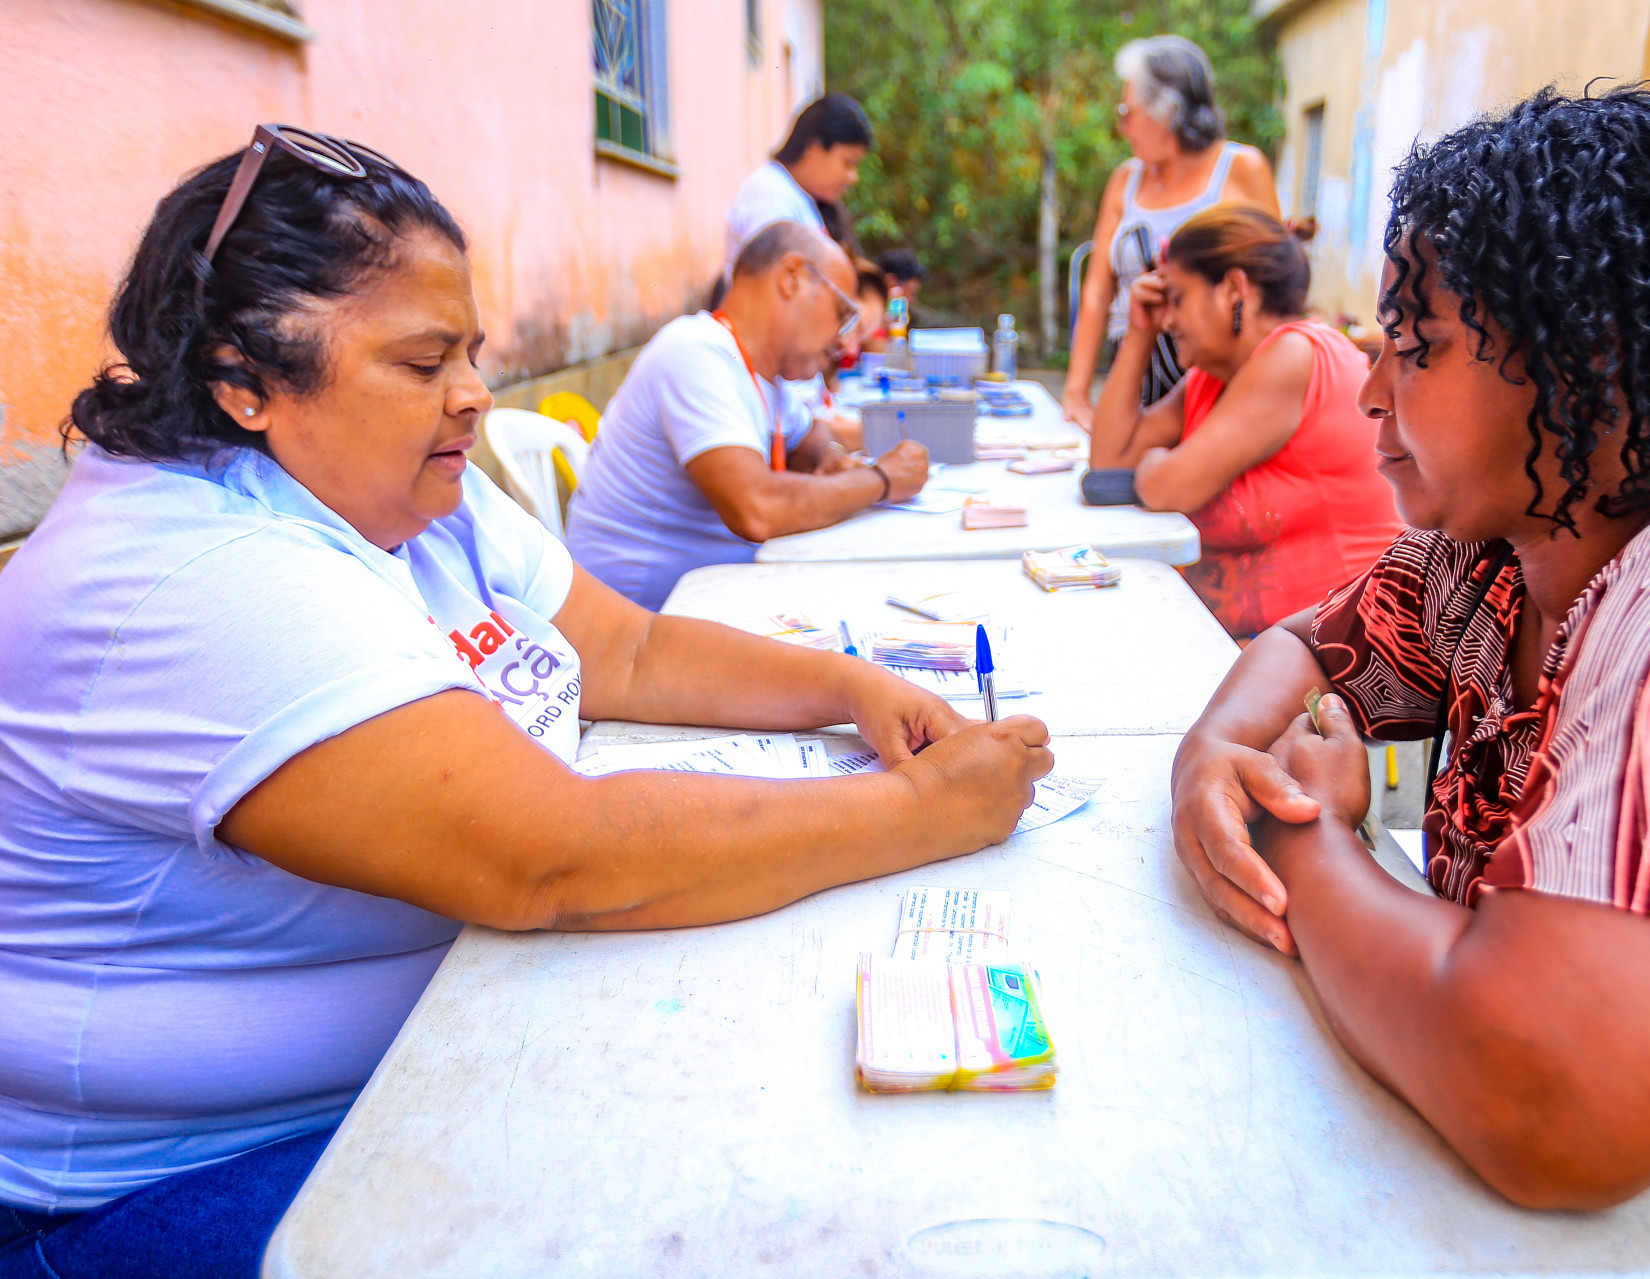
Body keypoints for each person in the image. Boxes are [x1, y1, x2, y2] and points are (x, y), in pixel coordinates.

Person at [0, 127, 1050, 1278]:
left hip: (438, 1043)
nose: (472, 394)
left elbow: (632, 651)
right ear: (245, 379)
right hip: (170, 1188)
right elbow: (555, 859)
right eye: (421, 362)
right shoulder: (195, 573)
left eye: (470, 352)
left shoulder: (398, 485)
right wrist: (928, 813)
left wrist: (856, 690)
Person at [1171, 86, 1650, 1275]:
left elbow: (1548, 1103)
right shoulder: (1503, 555)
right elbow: (1306, 647)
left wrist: (1305, 837)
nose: (1371, 393)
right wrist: (1215, 751)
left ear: (1589, 353)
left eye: (1416, 346)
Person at [566, 222, 927, 610]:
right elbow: (756, 509)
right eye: (842, 314)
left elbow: (809, 436)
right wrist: (881, 479)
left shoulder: (761, 372)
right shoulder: (695, 353)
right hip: (635, 620)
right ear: (791, 278)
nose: (844, 340)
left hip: (694, 601)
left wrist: (830, 457)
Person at [1087, 207, 1401, 639]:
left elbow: (1165, 487)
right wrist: (1138, 333)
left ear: (1233, 288)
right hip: (1261, 651)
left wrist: (1155, 460)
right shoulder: (1213, 376)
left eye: (1177, 298)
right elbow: (1108, 462)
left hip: (1344, 658)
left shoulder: (1296, 353)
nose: (1167, 319)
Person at [1061, 35, 1279, 429]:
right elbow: (1097, 291)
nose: (1122, 126)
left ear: (1167, 111)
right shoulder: (1125, 179)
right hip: (1130, 363)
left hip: (1211, 372)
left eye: (1127, 111)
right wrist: (1076, 392)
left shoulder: (1240, 167)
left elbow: (1277, 286)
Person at [722, 93, 873, 273]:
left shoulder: (802, 197)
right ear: (814, 149)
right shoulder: (769, 196)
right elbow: (777, 280)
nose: (852, 177)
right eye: (848, 162)